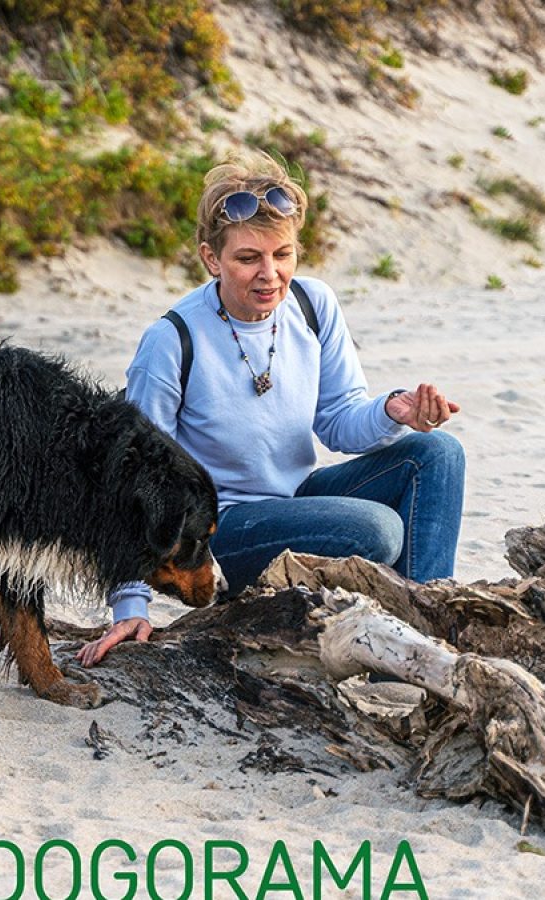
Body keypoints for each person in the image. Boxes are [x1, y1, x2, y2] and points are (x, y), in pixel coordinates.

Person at [76, 155, 465, 667]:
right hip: (221, 530)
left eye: (283, 254)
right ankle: (406, 646)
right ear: (211, 259)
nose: (270, 274)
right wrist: (130, 604)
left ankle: (426, 631)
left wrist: (395, 411)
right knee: (376, 529)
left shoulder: (312, 304)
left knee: (437, 452)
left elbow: (339, 420)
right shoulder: (172, 340)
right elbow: (131, 480)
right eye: (248, 258)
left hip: (297, 498)